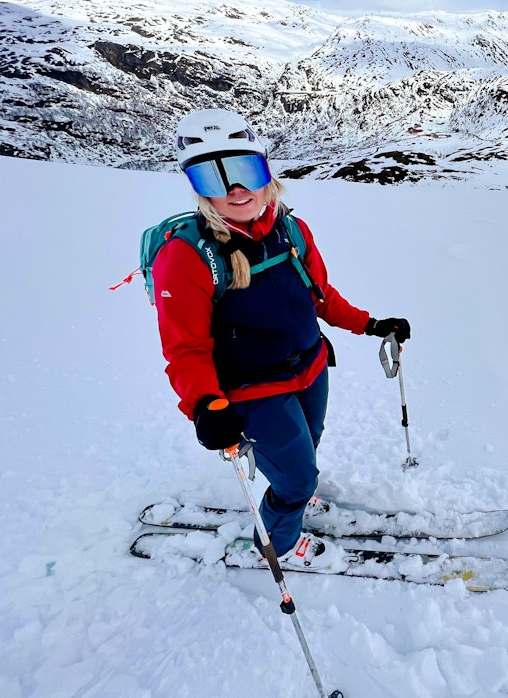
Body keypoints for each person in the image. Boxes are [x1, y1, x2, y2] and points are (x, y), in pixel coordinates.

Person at [151, 108, 411, 558]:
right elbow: (186, 348)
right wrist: (205, 405)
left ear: (266, 168)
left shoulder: (291, 229)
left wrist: (369, 324)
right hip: (253, 390)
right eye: (212, 178)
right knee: (295, 480)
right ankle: (280, 544)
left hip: (310, 368)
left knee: (310, 441)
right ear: (194, 186)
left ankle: (295, 488)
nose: (234, 189)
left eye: (244, 169)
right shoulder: (185, 255)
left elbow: (320, 295)